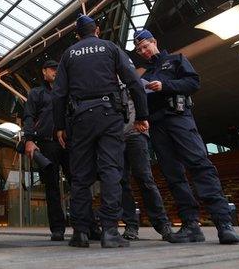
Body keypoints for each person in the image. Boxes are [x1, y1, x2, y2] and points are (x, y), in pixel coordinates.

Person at [134, 29, 239, 245]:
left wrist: (166, 86)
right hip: (158, 127)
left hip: (179, 119)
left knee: (200, 165)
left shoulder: (176, 60)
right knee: (173, 175)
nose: (143, 51)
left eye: (145, 46)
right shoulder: (144, 76)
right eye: (139, 50)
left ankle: (223, 224)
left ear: (154, 41)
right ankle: (191, 225)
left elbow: (193, 83)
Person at [52, 14, 149, 248]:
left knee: (81, 176)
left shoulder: (69, 54)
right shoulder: (110, 48)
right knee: (111, 171)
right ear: (97, 29)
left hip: (80, 119)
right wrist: (143, 115)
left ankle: (81, 233)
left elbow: (58, 94)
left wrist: (59, 127)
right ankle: (109, 231)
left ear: (77, 34)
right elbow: (134, 81)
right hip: (109, 116)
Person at [23, 59, 72, 241]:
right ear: (44, 72)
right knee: (52, 188)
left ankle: (87, 225)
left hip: (68, 143)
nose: (56, 72)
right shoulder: (36, 93)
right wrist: (29, 139)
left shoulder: (67, 92)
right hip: (47, 143)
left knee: (78, 183)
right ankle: (57, 229)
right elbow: (28, 117)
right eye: (52, 69)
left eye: (58, 69)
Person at [119, 99, 175, 242]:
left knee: (145, 178)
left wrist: (144, 117)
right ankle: (130, 225)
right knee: (121, 182)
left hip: (136, 133)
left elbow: (143, 100)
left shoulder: (130, 78)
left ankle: (162, 224)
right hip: (114, 138)